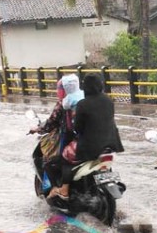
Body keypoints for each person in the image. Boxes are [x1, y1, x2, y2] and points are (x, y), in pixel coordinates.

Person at [48, 74, 123, 206]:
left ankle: (64, 190)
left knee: (65, 155)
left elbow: (78, 128)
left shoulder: (83, 104)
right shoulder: (108, 101)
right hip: (111, 143)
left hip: (90, 146)